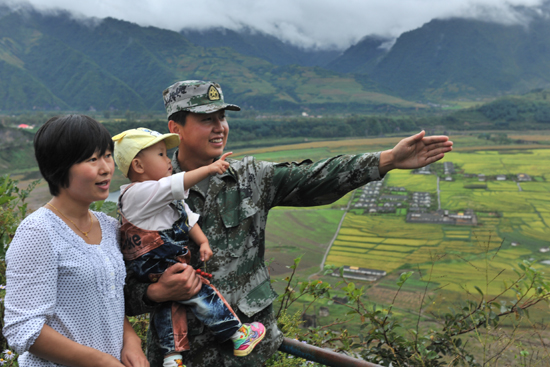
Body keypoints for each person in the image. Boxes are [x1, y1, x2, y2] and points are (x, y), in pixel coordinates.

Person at [124, 80, 454, 367]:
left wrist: (387, 160)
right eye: (207, 119)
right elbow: (118, 288)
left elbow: (314, 178)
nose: (220, 127)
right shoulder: (143, 197)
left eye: (222, 118)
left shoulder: (251, 177)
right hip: (182, 355)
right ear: (175, 127)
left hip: (251, 354)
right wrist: (155, 292)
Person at [112, 127, 266, 367]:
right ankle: (237, 334)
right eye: (161, 155)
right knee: (201, 291)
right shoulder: (137, 194)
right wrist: (209, 169)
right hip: (155, 258)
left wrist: (203, 241)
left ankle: (172, 357)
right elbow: (178, 182)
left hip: (160, 261)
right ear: (139, 166)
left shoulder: (161, 198)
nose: (168, 160)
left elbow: (186, 218)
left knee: (170, 302)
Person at [3, 115, 149, 367]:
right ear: (58, 167)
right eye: (92, 159)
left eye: (106, 155)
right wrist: (100, 361)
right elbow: (22, 328)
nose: (105, 167)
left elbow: (108, 301)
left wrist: (131, 341)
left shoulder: (109, 225)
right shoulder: (38, 232)